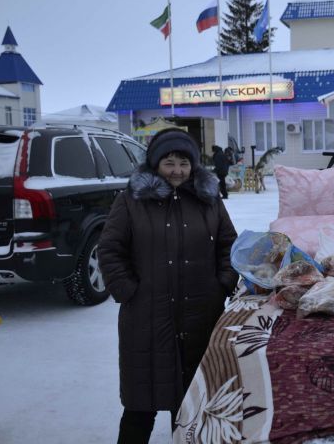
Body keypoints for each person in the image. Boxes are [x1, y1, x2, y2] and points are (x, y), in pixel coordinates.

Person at [98, 127, 238, 444]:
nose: (177, 171)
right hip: (146, 318)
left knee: (190, 408)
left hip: (201, 317)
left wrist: (223, 284)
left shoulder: (209, 199)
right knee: (139, 407)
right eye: (170, 162)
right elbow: (110, 250)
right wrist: (127, 290)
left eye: (184, 164)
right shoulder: (131, 201)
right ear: (156, 163)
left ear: (194, 166)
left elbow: (229, 246)